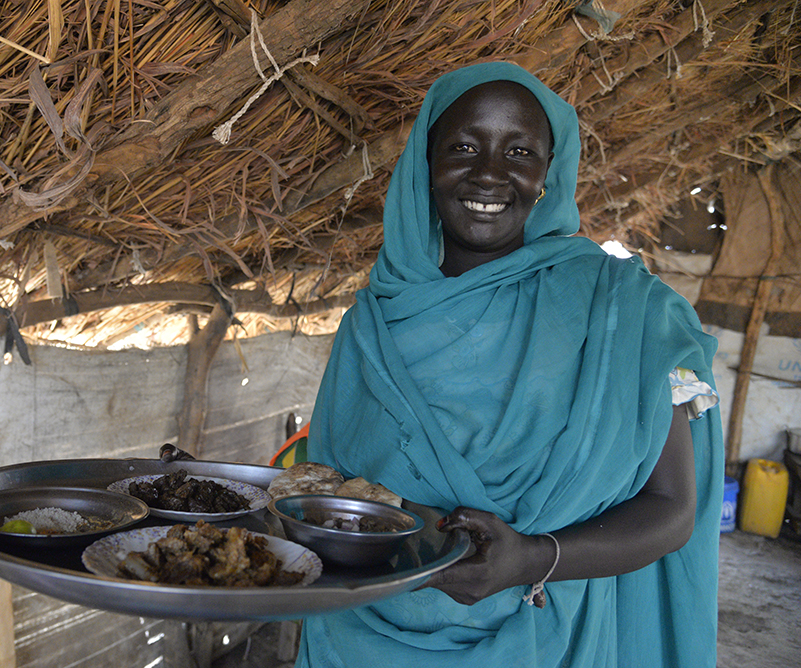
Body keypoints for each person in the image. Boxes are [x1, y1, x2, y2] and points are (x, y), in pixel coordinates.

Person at [295, 62, 722, 667]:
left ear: (551, 170)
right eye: (463, 146)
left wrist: (531, 558)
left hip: (547, 636)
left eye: (519, 151)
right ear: (426, 163)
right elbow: (328, 498)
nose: (489, 174)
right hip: (360, 637)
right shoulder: (372, 324)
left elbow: (672, 507)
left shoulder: (626, 314)